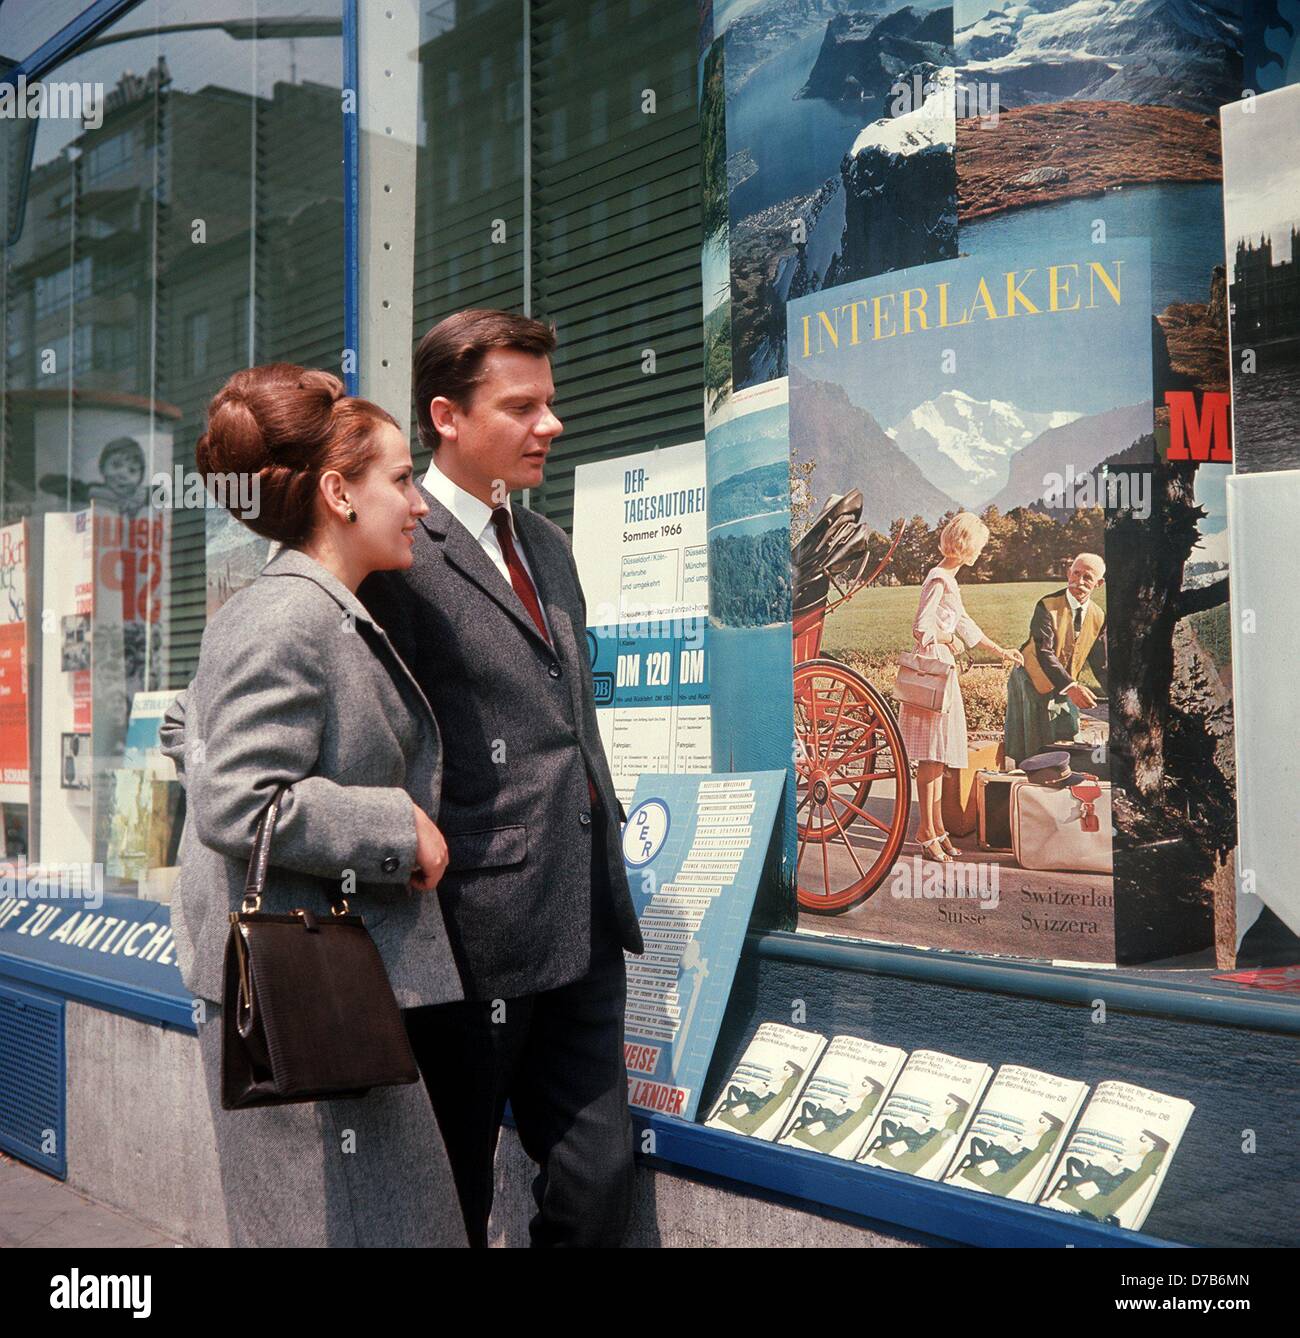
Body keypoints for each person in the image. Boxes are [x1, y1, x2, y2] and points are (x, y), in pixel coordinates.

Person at [159, 363, 467, 1247]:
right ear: (339, 492)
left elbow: (191, 728)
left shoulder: (306, 607)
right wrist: (392, 827)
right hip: (305, 1011)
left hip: (329, 1003)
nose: (420, 504)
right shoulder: (287, 615)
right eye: (403, 481)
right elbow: (239, 802)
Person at [357, 309, 645, 1249]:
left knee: (597, 1184)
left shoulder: (550, 546)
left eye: (550, 404)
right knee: (455, 1195)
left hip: (585, 921)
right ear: (446, 415)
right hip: (473, 937)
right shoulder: (398, 551)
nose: (550, 425)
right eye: (521, 407)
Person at [896, 512, 1023, 863]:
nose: (980, 552)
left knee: (937, 758)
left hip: (944, 668)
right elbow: (921, 629)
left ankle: (935, 829)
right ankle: (926, 830)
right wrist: (949, 639)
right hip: (934, 670)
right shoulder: (939, 578)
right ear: (967, 545)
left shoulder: (949, 579)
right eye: (979, 546)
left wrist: (999, 650)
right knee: (931, 756)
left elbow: (967, 625)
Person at [1004, 552, 1108, 765]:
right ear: (1068, 573)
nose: (1079, 581)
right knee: (1032, 746)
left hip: (1063, 682)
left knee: (1067, 734)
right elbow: (1044, 652)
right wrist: (1071, 686)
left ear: (1099, 583)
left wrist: (1120, 698)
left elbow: (1101, 663)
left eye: (1087, 577)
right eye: (1076, 573)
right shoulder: (1046, 605)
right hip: (1030, 680)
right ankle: (1026, 788)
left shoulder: (1098, 615)